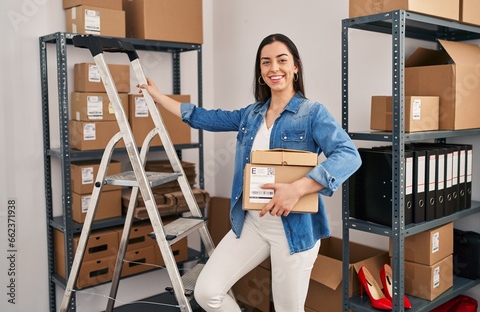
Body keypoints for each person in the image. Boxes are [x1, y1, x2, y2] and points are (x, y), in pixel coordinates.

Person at [139, 33, 361, 312]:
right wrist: (158, 97)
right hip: (253, 223)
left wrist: (299, 188)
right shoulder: (251, 115)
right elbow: (203, 117)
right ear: (260, 71)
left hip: (294, 230)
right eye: (265, 62)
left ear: (295, 67)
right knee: (207, 293)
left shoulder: (312, 113)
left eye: (282, 60)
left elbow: (348, 155)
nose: (274, 69)